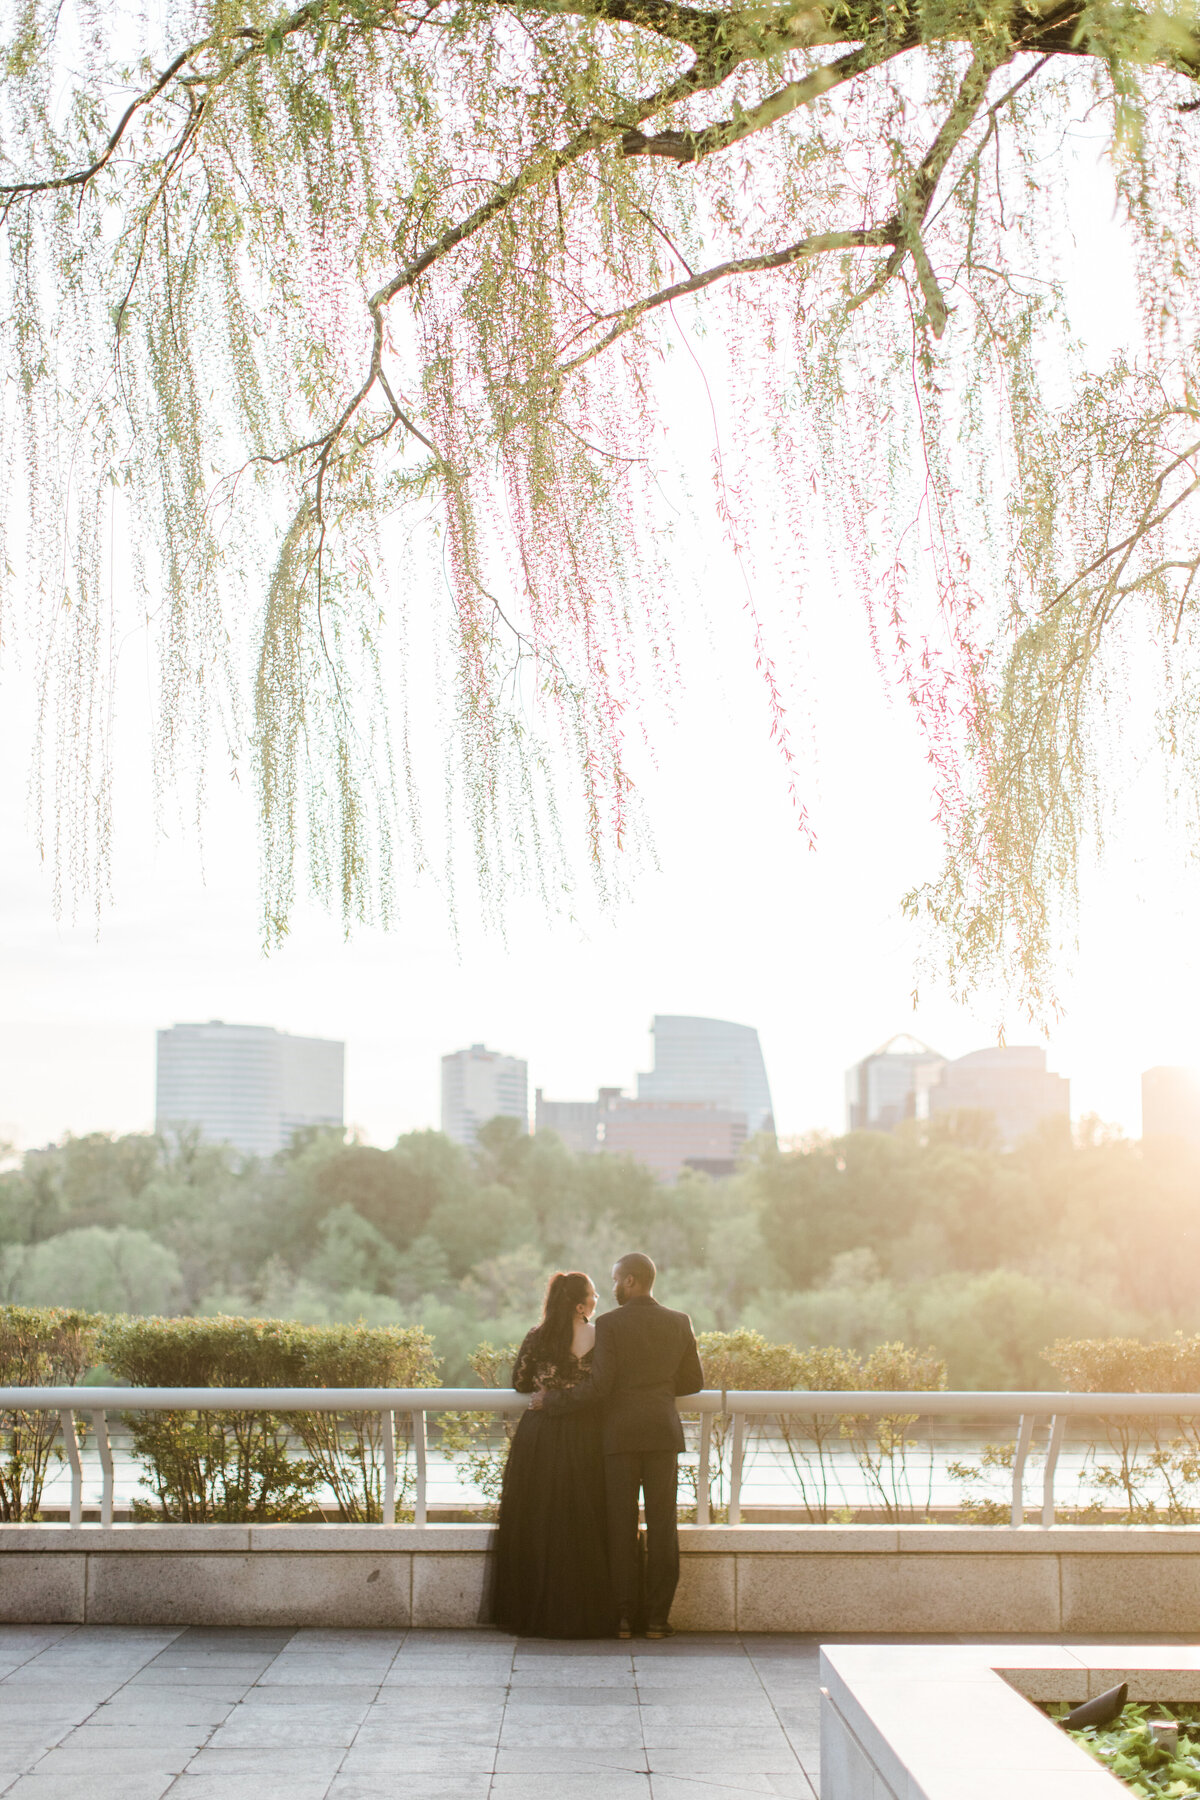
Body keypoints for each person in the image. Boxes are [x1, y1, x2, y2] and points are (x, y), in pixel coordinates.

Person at [534, 1251, 704, 1639]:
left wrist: (553, 1402)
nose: (611, 1289)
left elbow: (600, 1386)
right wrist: (657, 1392)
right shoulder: (680, 1322)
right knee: (664, 1528)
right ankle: (658, 1620)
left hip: (620, 1436)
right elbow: (694, 1381)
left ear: (630, 1281)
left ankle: (625, 1618)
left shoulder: (610, 1324)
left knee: (621, 1527)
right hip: (662, 1433)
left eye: (615, 1281)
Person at [490, 1269, 617, 1638]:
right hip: (587, 1435)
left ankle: (537, 1612)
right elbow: (604, 1386)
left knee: (540, 1518)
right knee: (585, 1521)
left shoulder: (538, 1337)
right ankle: (585, 1613)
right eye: (593, 1294)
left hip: (541, 1437)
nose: (597, 1299)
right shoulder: (601, 1338)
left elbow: (520, 1382)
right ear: (580, 1305)